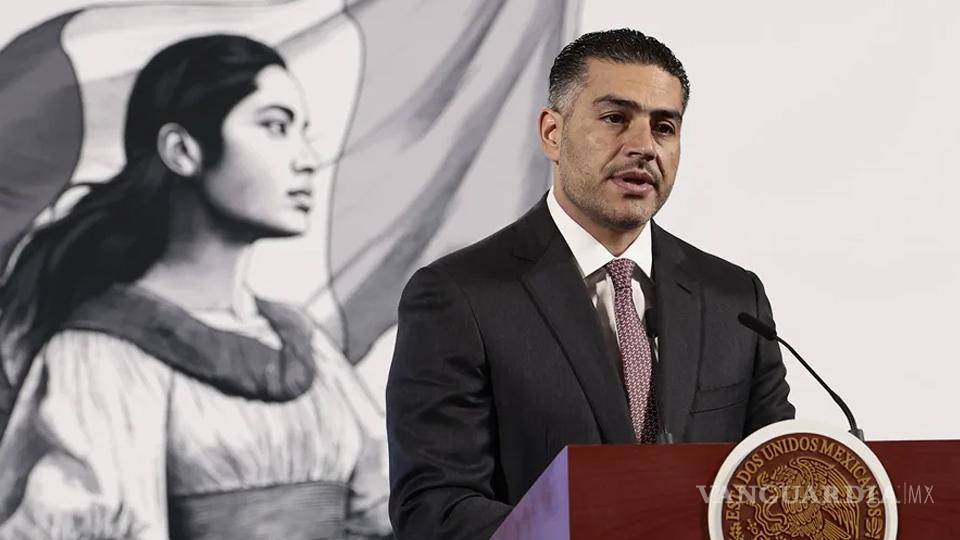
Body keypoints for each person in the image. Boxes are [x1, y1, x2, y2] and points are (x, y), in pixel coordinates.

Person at [386, 28, 795, 539]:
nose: (643, 147)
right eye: (615, 118)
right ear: (552, 133)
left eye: (664, 127)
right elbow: (436, 509)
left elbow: (775, 481)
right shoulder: (458, 296)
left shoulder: (734, 299)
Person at [0, 35, 391, 539]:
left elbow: (383, 509)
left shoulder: (305, 343)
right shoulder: (102, 354)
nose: (307, 159)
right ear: (182, 151)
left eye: (303, 132)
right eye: (276, 127)